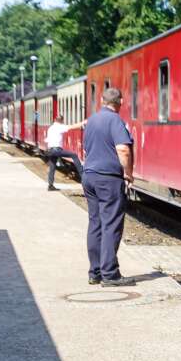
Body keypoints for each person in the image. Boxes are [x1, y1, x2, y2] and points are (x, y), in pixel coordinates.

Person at [81, 87, 134, 286]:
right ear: (119, 102)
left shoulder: (92, 120)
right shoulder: (115, 120)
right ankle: (110, 274)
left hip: (89, 176)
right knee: (111, 224)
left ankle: (94, 272)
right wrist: (128, 173)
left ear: (102, 101)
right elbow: (123, 150)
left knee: (95, 223)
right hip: (108, 178)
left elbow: (87, 148)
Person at [44, 116, 84, 190]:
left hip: (50, 150)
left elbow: (47, 140)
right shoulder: (60, 127)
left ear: (55, 120)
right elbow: (72, 127)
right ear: (62, 121)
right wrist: (83, 122)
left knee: (52, 167)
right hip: (56, 150)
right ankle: (83, 177)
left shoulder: (51, 128)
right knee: (74, 155)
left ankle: (50, 186)